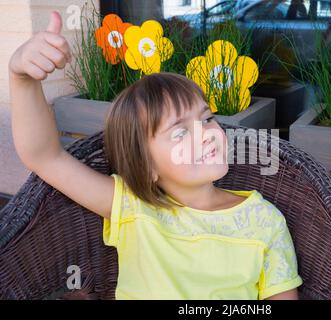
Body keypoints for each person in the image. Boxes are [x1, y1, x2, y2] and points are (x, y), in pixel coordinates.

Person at [8, 11, 302, 300]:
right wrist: (20, 75)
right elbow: (45, 157)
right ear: (146, 166)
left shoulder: (264, 220)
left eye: (207, 118)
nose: (206, 132)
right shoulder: (133, 207)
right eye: (180, 132)